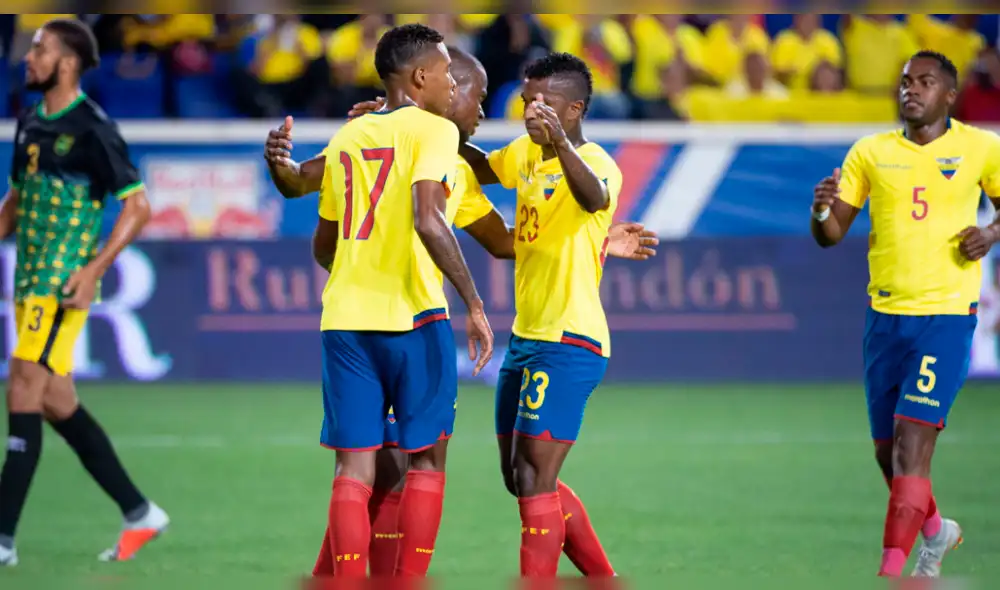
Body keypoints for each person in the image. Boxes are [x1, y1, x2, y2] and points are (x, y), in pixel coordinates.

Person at [264, 45, 658, 578]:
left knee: (383, 471)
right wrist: (400, 115)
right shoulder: (454, 147)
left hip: (370, 320)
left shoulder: (574, 160)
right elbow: (471, 221)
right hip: (432, 325)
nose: (485, 111)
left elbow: (553, 218)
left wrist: (593, 241)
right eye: (465, 92)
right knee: (430, 469)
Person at [306, 23, 494, 578]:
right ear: (420, 77)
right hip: (414, 316)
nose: (453, 88)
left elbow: (324, 246)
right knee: (427, 459)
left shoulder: (347, 136)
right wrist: (475, 305)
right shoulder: (433, 132)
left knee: (354, 466)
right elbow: (429, 220)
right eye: (445, 74)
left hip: (343, 318)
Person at [810, 50, 1000, 578]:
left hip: (945, 317)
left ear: (949, 95)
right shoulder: (870, 152)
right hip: (884, 319)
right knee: (888, 455)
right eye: (905, 82)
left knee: (913, 447)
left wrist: (989, 232)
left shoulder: (982, 147)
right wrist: (821, 208)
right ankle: (938, 532)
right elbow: (831, 235)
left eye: (924, 82)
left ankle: (898, 572)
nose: (910, 90)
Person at [0, 19, 168, 567]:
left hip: (62, 284)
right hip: (28, 282)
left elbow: (137, 205)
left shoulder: (93, 128)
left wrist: (95, 269)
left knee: (23, 387)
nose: (29, 58)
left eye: (40, 50)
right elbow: (15, 201)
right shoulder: (30, 121)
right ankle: (140, 513)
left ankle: (2, 540)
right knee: (54, 400)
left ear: (67, 63)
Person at [458, 52, 628, 577]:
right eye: (528, 100)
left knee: (534, 477)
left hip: (570, 339)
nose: (532, 110)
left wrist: (557, 142)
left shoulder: (597, 162)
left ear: (573, 109)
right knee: (521, 478)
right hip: (528, 338)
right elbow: (482, 166)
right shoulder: (526, 153)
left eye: (544, 103)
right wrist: (417, 123)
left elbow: (595, 198)